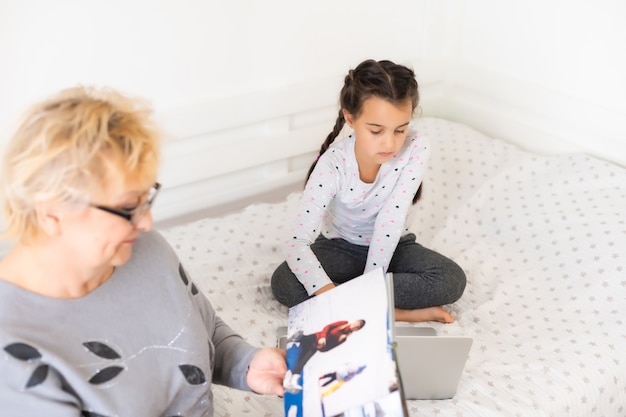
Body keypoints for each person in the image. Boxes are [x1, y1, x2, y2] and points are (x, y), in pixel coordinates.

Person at [0, 86, 286, 416]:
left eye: (145, 199)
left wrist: (246, 364)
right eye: (127, 207)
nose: (147, 222)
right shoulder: (13, 353)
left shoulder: (144, 249)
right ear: (50, 214)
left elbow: (201, 331)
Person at [271, 59, 466, 323]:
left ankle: (354, 304)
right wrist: (332, 289)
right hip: (340, 247)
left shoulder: (417, 147)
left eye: (400, 130)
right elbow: (297, 242)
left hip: (394, 244)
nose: (390, 143)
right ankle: (396, 314)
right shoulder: (333, 164)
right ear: (350, 118)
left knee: (451, 280)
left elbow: (391, 220)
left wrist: (364, 286)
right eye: (376, 131)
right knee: (285, 283)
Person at [283, 319, 365, 393]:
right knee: (305, 339)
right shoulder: (343, 323)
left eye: (357, 327)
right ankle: (292, 338)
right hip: (316, 337)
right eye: (356, 324)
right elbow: (328, 327)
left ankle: (293, 380)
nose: (355, 326)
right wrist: (323, 337)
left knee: (303, 361)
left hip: (315, 347)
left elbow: (328, 348)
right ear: (354, 322)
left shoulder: (343, 338)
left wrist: (321, 347)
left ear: (357, 330)